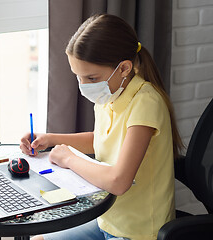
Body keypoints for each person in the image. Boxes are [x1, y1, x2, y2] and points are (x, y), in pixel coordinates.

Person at [20, 14, 184, 240]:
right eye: (78, 77)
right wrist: (51, 138)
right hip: (107, 218)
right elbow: (103, 139)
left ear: (124, 68)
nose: (84, 86)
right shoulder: (110, 94)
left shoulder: (146, 102)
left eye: (91, 77)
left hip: (138, 232)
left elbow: (119, 181)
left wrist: (69, 159)